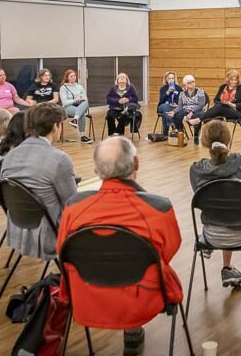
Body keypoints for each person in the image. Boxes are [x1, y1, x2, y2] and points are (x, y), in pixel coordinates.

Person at [56, 136, 183, 355]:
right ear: (137, 164)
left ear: (96, 172)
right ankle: (132, 329)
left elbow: (62, 252)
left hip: (85, 297)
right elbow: (169, 250)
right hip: (141, 298)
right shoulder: (159, 208)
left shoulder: (74, 208)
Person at [1, 102, 77, 260]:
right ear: (56, 126)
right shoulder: (59, 159)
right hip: (48, 234)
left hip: (18, 230)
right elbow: (72, 204)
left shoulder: (9, 156)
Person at [190, 119, 241, 287]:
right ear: (228, 139)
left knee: (222, 211)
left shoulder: (196, 170)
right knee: (232, 212)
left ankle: (226, 266)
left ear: (204, 141)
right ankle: (227, 267)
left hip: (211, 234)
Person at [166, 75, 205, 143]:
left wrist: (192, 112)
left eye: (193, 82)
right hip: (186, 109)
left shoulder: (200, 91)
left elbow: (201, 104)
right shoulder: (182, 93)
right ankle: (181, 133)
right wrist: (173, 112)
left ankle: (196, 136)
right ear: (186, 84)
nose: (192, 83)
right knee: (176, 115)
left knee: (197, 116)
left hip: (197, 110)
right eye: (190, 82)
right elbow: (180, 106)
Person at [59, 69, 92, 144]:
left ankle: (75, 120)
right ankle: (82, 137)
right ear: (67, 78)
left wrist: (81, 99)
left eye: (74, 76)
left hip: (82, 105)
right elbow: (64, 102)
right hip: (69, 107)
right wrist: (74, 100)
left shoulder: (80, 87)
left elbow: (85, 99)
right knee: (82, 113)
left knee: (85, 102)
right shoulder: (63, 88)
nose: (74, 77)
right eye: (71, 76)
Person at [157, 71, 182, 136]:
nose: (171, 80)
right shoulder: (163, 88)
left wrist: (176, 104)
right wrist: (167, 92)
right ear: (166, 79)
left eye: (172, 78)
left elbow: (180, 101)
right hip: (162, 106)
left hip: (174, 107)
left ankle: (165, 133)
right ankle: (172, 124)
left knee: (166, 112)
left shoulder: (179, 88)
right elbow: (161, 100)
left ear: (174, 79)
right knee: (166, 106)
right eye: (169, 78)